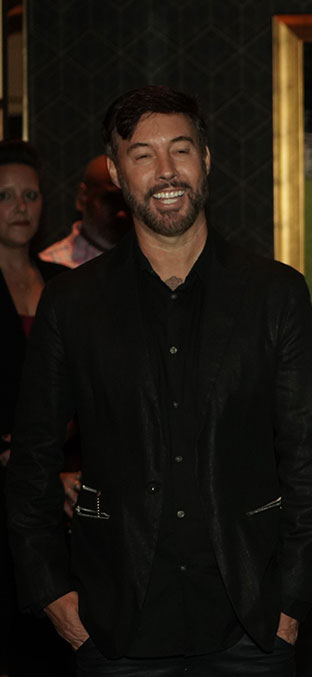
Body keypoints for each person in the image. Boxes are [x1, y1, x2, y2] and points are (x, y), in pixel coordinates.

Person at [6, 85, 312, 675]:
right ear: (114, 171)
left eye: (181, 150)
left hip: (253, 631)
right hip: (114, 631)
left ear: (205, 159)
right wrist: (51, 594)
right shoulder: (72, 304)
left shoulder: (275, 295)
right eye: (142, 154)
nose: (166, 171)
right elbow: (32, 460)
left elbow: (310, 461)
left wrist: (291, 604)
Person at [0, 139, 75, 676]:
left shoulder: (65, 286)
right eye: (4, 196)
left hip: (65, 493)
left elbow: (90, 391)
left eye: (30, 194)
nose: (21, 206)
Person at [38, 154, 130, 268]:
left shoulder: (149, 261)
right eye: (110, 199)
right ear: (82, 197)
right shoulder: (52, 266)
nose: (121, 213)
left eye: (127, 202)